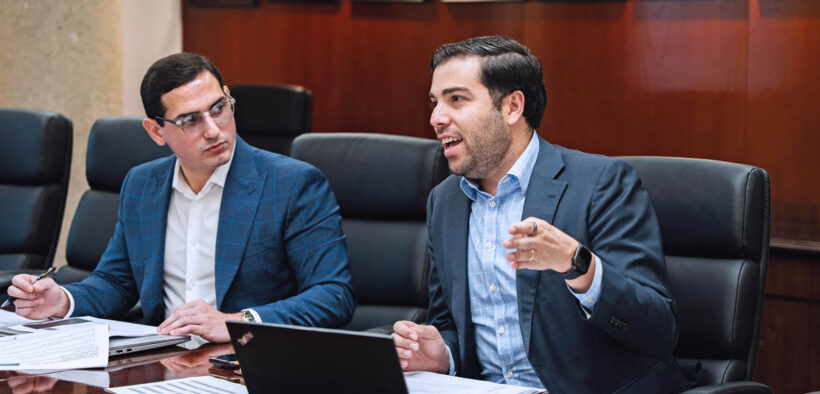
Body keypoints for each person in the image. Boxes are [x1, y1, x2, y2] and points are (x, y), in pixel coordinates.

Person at [392, 36, 690, 393]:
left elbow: (658, 331)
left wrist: (578, 264)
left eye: (456, 99)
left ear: (512, 107)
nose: (436, 118)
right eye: (435, 102)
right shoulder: (446, 201)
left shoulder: (601, 184)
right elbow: (450, 324)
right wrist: (445, 354)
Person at [7, 52, 355, 343]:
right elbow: (117, 281)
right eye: (190, 120)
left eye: (219, 108)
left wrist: (239, 321)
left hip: (248, 360)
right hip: (160, 357)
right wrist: (63, 300)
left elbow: (333, 294)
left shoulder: (292, 184)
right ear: (157, 131)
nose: (213, 129)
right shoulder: (142, 184)